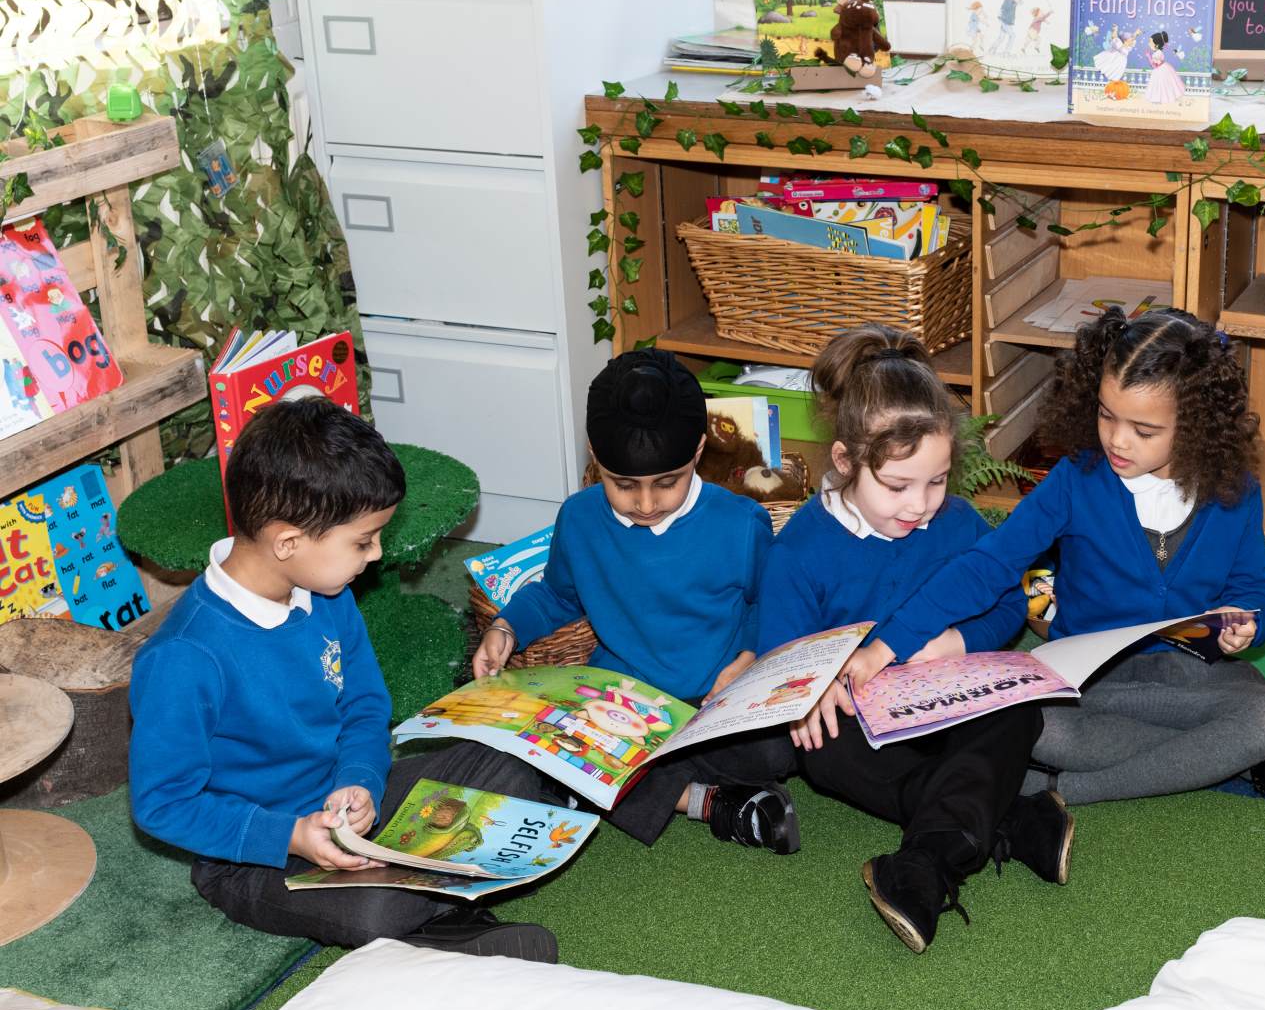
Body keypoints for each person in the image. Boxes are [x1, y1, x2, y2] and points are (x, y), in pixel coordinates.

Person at [129, 398, 557, 958]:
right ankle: (447, 925)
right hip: (257, 855)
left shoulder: (324, 592)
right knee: (376, 910)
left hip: (347, 808)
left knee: (513, 760)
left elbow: (364, 706)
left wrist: (361, 779)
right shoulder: (184, 658)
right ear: (288, 542)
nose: (375, 555)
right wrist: (289, 835)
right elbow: (162, 802)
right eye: (362, 541)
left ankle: (433, 911)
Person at [871, 307, 1265, 807]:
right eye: (1106, 414)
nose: (1117, 439)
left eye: (1144, 430)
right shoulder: (1076, 480)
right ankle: (1218, 756)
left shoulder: (1234, 492)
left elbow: (1253, 587)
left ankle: (1057, 790)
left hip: (1191, 677)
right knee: (1034, 725)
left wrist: (1248, 621)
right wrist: (890, 642)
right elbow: (987, 565)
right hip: (1088, 680)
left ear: (1196, 425)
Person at [757, 325, 1068, 953]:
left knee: (1018, 711)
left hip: (946, 704)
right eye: (897, 486)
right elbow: (778, 656)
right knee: (821, 748)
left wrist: (959, 642)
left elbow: (1008, 604)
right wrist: (809, 694)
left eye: (937, 480)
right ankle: (1003, 820)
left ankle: (926, 862)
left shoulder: (956, 522)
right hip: (866, 726)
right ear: (845, 461)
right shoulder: (801, 550)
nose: (920, 505)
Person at [471, 349, 794, 854]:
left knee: (776, 754)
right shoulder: (579, 519)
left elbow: (767, 604)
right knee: (555, 746)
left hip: (714, 699)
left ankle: (608, 783)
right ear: (595, 459)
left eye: (667, 483)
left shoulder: (739, 523)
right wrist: (505, 628)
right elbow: (557, 594)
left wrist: (749, 657)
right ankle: (707, 803)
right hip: (619, 701)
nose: (645, 504)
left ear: (699, 451)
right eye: (623, 485)